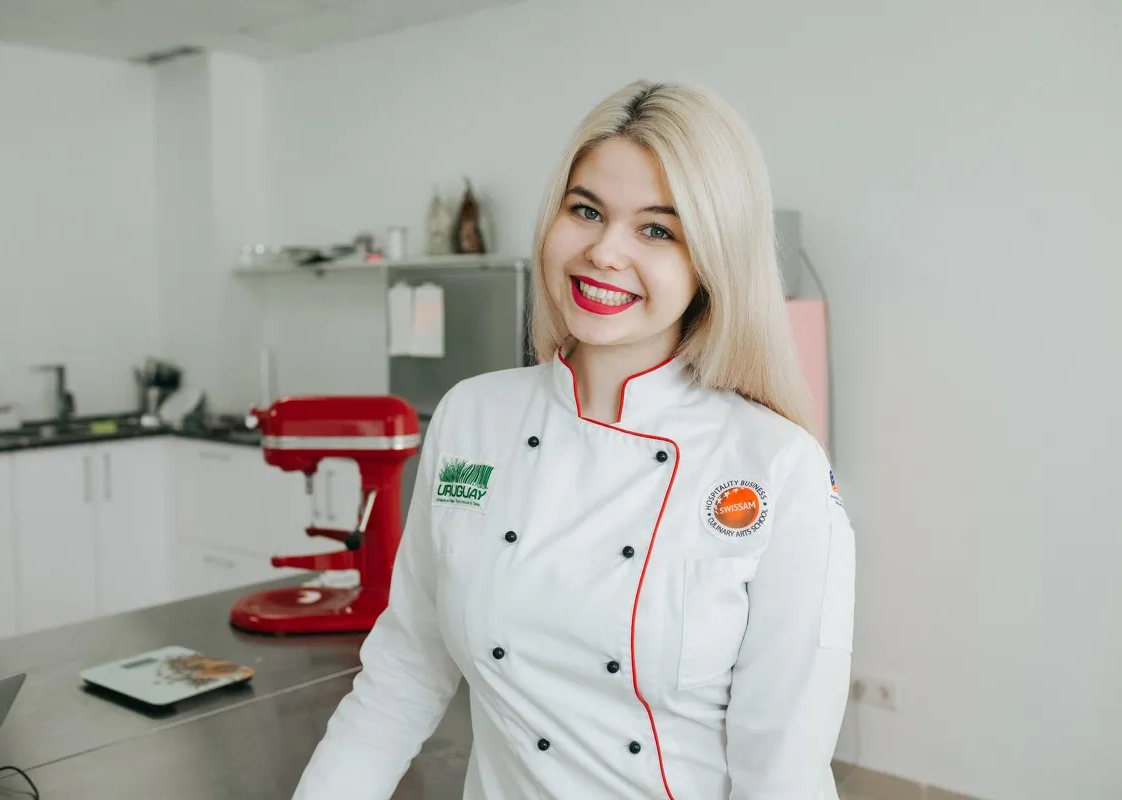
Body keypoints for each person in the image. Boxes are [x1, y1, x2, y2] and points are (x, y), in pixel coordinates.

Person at [292, 79, 856, 800]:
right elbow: (401, 678)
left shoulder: (778, 466)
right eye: (585, 210)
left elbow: (783, 773)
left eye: (658, 230)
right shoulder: (472, 418)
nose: (604, 252)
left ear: (713, 260)